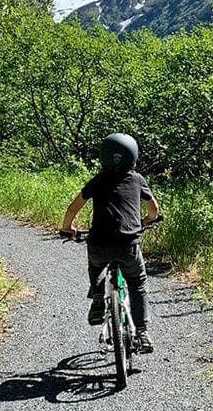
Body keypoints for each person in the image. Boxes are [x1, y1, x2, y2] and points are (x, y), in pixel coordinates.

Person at [60, 132, 160, 353]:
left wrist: (68, 229)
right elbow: (154, 210)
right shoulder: (137, 180)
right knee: (138, 284)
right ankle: (142, 334)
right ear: (133, 156)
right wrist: (143, 222)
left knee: (96, 265)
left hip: (99, 243)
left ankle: (98, 295)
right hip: (128, 245)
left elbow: (72, 208)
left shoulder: (97, 180)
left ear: (103, 157)